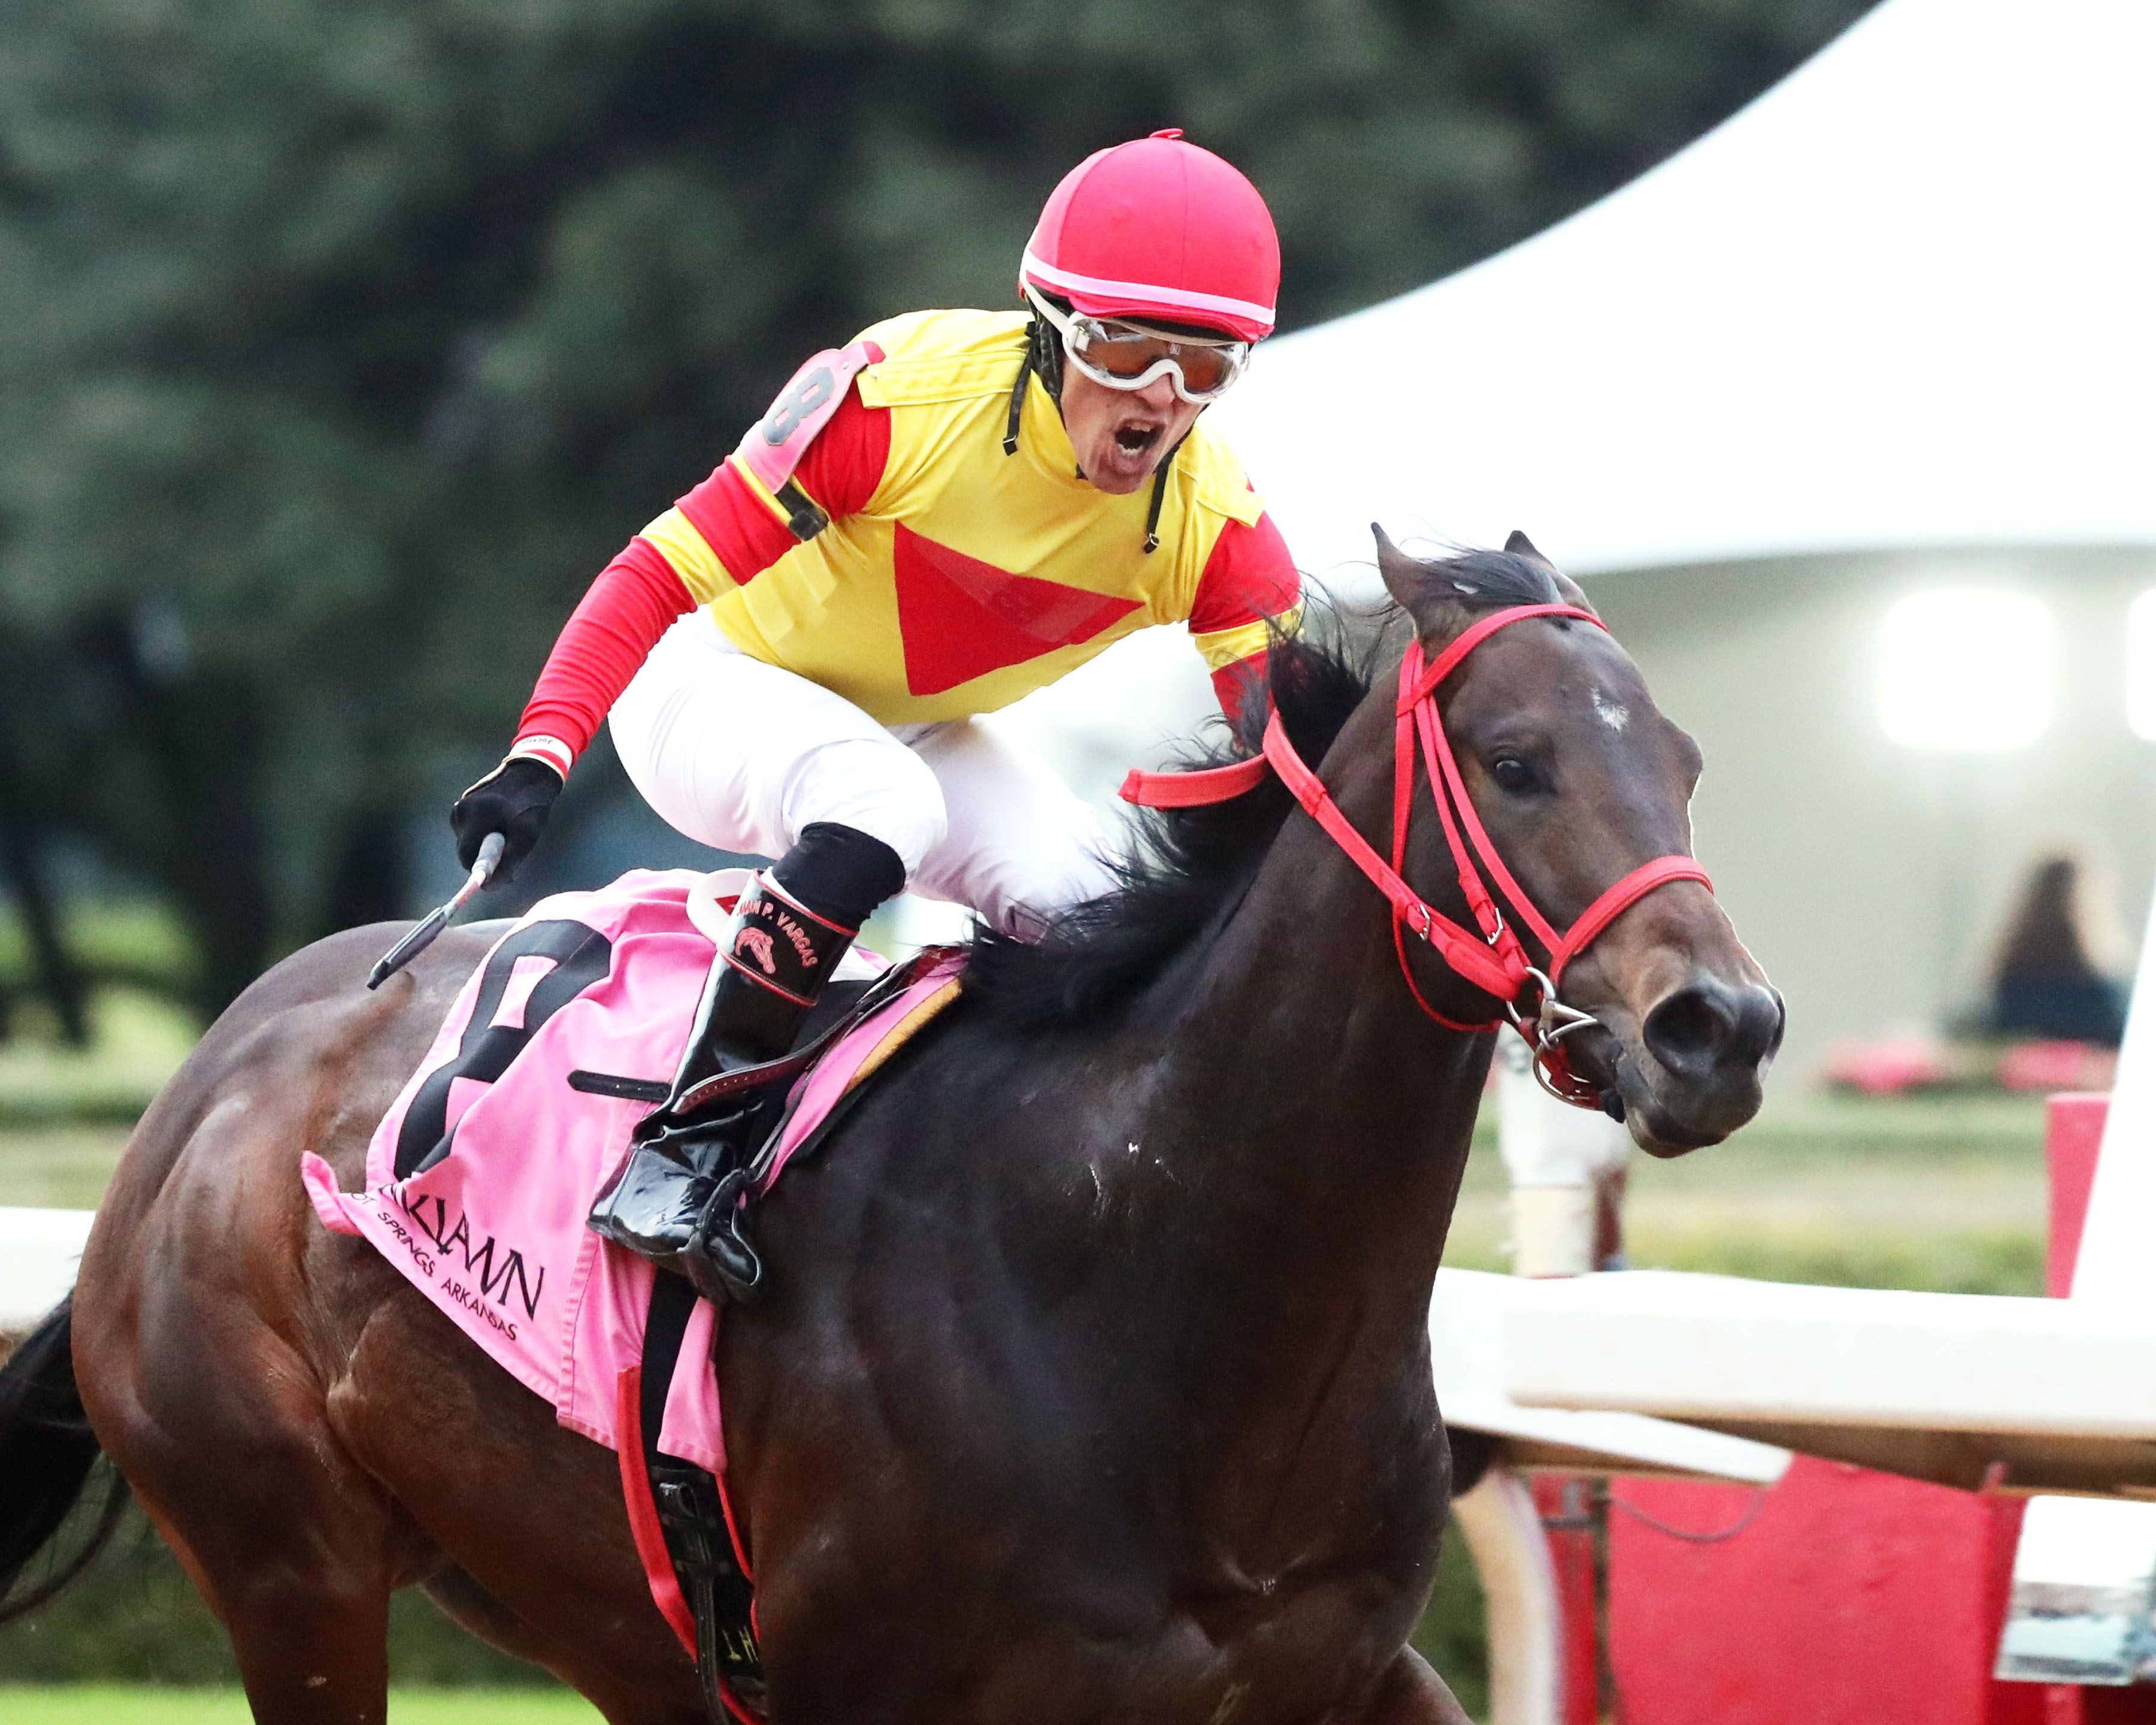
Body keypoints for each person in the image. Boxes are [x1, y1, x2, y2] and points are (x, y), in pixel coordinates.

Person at [447, 131, 1303, 1288]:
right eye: (1127, 350)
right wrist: (542, 752)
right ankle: (684, 1146)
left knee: (1102, 916)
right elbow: (653, 575)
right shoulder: (895, 397)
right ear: (1049, 324)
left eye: (1202, 369)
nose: (1158, 401)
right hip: (711, 684)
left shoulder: (1218, 529)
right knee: (879, 794)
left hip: (910, 731)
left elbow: (1299, 769)